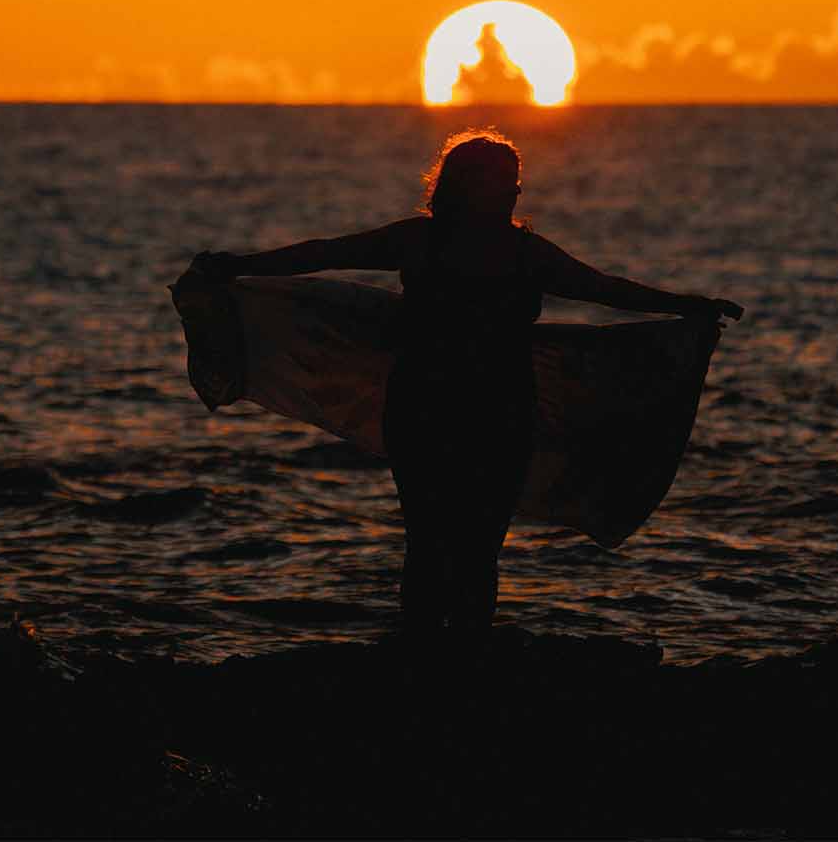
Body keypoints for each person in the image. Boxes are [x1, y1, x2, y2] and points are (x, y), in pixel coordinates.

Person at [190, 130, 742, 643]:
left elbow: (606, 289)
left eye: (513, 180)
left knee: (479, 547)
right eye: (499, 179)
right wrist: (240, 264)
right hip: (428, 410)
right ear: (464, 184)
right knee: (429, 542)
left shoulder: (525, 252)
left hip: (497, 412)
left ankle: (464, 658)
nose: (511, 189)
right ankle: (427, 659)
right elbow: (324, 253)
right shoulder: (422, 242)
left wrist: (687, 307)